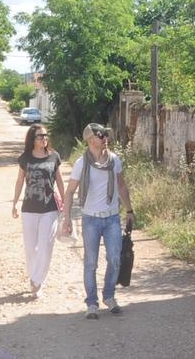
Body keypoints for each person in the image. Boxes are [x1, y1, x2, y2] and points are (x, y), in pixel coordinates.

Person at [60, 123, 134, 319]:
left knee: (115, 259)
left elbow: (122, 185)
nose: (105, 138)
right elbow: (69, 192)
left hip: (111, 219)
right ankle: (91, 303)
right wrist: (66, 218)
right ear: (90, 139)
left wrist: (130, 210)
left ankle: (109, 296)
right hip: (90, 219)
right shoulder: (81, 164)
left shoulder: (114, 160)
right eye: (101, 135)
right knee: (90, 263)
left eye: (105, 135)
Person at [12, 124, 65, 297]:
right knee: (30, 248)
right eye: (40, 136)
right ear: (32, 139)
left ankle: (37, 280)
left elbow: (59, 180)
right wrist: (14, 203)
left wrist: (66, 202)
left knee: (46, 246)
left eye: (45, 135)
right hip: (29, 208)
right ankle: (34, 276)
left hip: (49, 208)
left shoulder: (54, 156)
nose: (44, 138)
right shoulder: (25, 158)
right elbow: (20, 181)